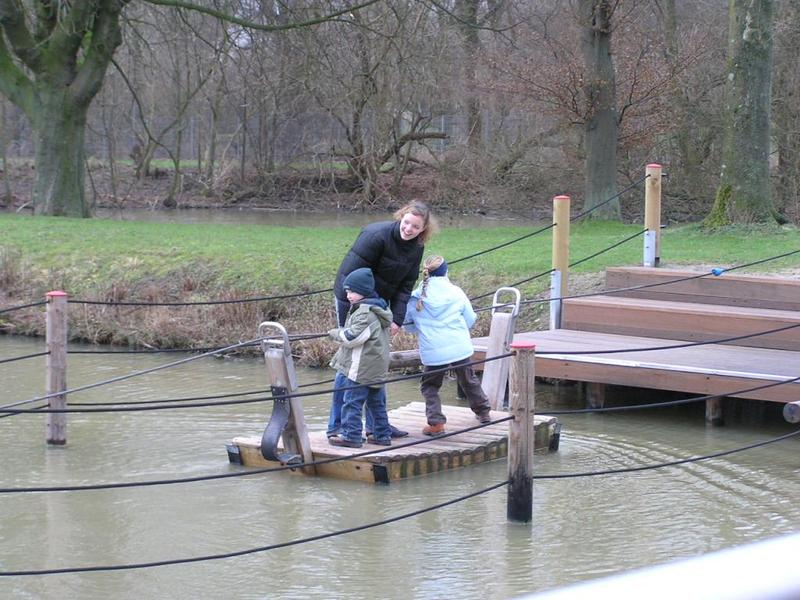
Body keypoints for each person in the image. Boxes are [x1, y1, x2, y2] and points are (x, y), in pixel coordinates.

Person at [327, 200, 438, 439]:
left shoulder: (416, 248)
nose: (408, 229)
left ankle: (377, 426)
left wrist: (396, 319)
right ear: (400, 217)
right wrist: (357, 314)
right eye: (406, 222)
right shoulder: (375, 235)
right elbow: (350, 276)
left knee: (375, 362)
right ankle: (337, 425)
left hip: (379, 306)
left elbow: (406, 286)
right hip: (351, 300)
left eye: (415, 227)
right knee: (350, 362)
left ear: (423, 229)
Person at [403, 255, 492, 436]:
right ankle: (483, 412)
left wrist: (421, 328)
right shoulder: (456, 292)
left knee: (430, 386)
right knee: (468, 379)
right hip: (458, 346)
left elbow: (408, 324)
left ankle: (436, 423)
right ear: (446, 272)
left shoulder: (416, 297)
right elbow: (470, 319)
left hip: (433, 350)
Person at [327, 268, 393, 448]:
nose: (348, 295)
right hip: (376, 367)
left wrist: (334, 333)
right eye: (347, 291)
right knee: (376, 403)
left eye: (352, 291)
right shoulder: (378, 308)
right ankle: (382, 435)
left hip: (361, 368)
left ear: (364, 291)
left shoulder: (364, 313)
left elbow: (352, 338)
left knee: (352, 403)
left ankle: (351, 436)